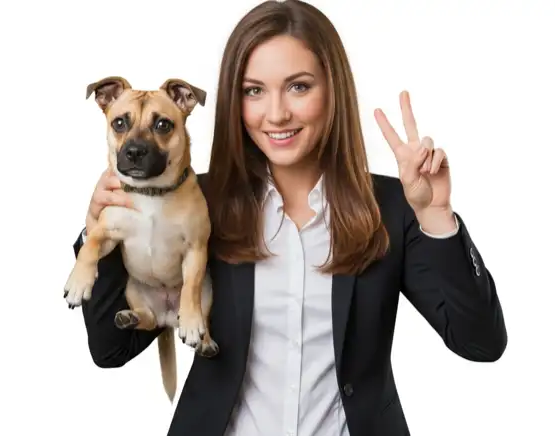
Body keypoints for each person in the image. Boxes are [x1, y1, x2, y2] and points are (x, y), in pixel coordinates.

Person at [71, 1, 507, 435]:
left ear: (333, 90)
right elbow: (111, 350)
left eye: (298, 87)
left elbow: (480, 343)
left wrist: (436, 216)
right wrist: (99, 232)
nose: (277, 113)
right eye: (253, 91)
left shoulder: (391, 206)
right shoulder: (197, 205)